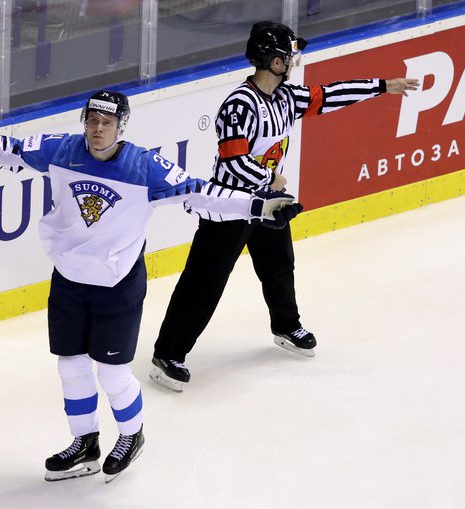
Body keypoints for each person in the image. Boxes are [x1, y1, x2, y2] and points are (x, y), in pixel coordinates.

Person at [0, 89, 302, 483]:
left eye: (106, 123)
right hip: (69, 279)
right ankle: (84, 442)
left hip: (117, 283)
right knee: (71, 365)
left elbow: (201, 193)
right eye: (92, 121)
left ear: (121, 126)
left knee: (112, 372)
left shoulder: (144, 168)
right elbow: (9, 150)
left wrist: (259, 208)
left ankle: (131, 434)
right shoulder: (61, 150)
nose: (98, 129)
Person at [150, 21, 420, 393]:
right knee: (204, 283)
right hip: (229, 207)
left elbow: (330, 95)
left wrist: (384, 86)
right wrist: (269, 177)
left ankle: (285, 326)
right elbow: (232, 161)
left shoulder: (286, 98)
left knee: (279, 265)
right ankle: (168, 354)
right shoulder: (238, 105)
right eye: (287, 56)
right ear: (272, 60)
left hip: (267, 204)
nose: (292, 61)